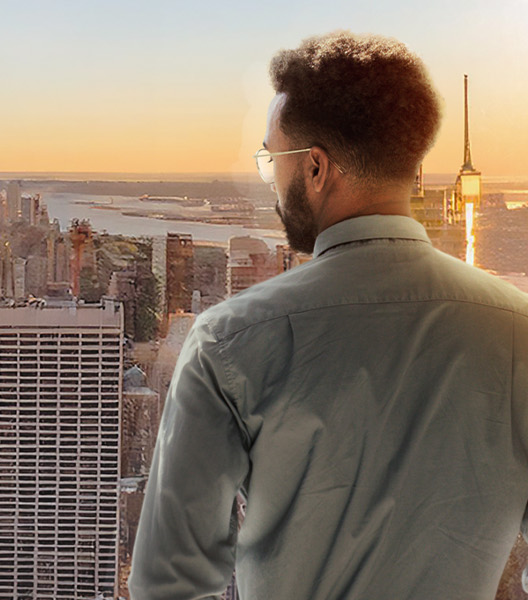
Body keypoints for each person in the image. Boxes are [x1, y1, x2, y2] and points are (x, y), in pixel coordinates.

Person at [129, 31, 528, 599]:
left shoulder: (227, 341)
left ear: (316, 168)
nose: (272, 181)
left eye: (273, 160)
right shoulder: (520, 333)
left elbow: (169, 584)